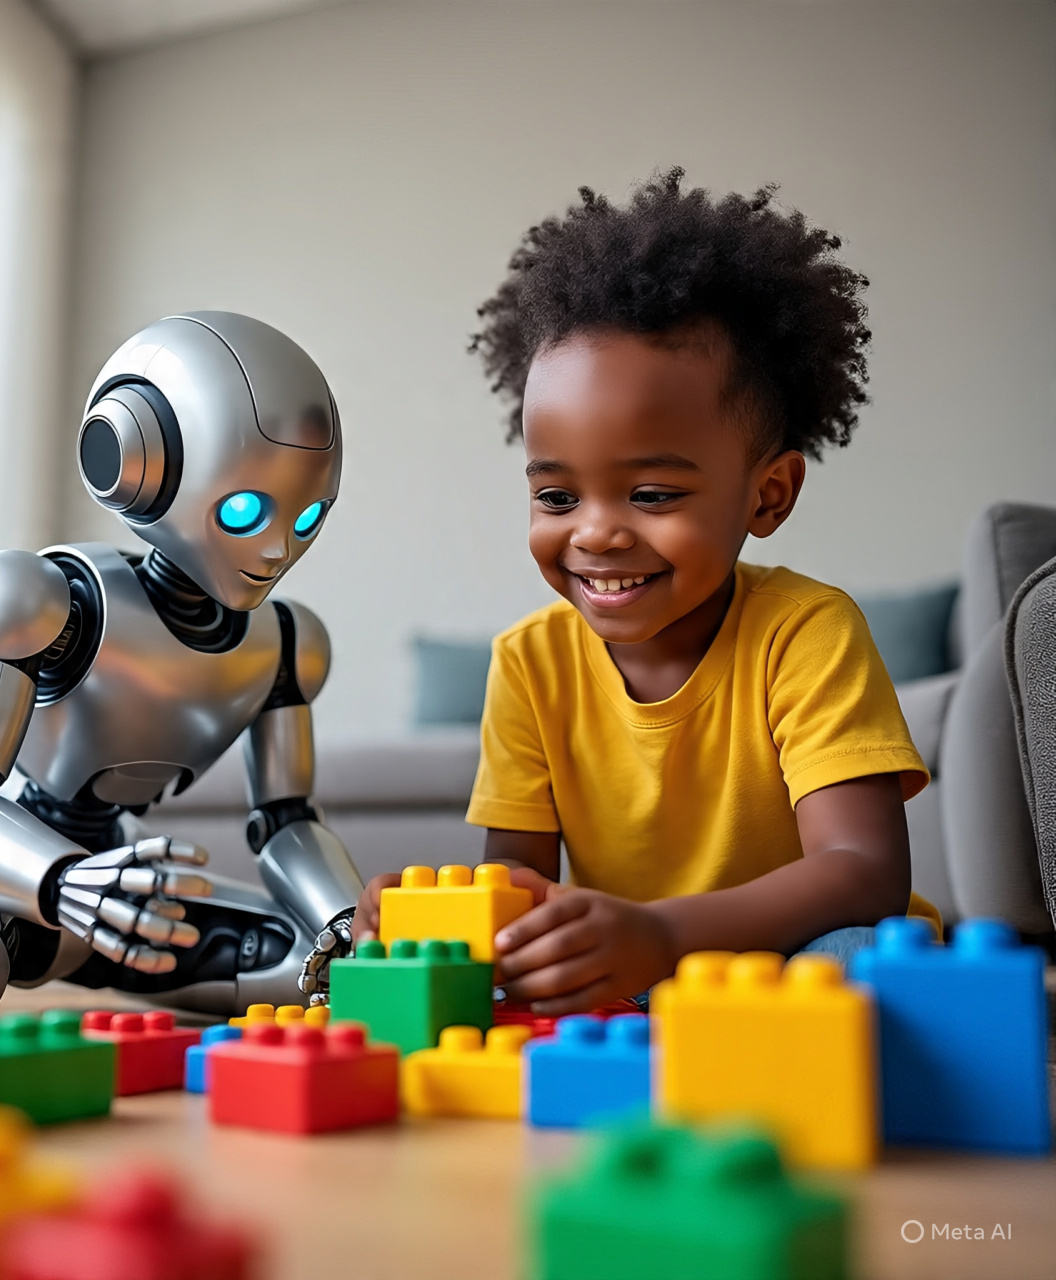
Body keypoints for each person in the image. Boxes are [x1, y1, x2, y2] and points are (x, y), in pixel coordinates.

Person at [354, 170, 937, 1014]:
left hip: (795, 957)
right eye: (557, 497)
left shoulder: (807, 630)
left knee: (859, 964)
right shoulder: (530, 662)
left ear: (767, 496)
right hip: (635, 975)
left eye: (652, 495)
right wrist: (434, 909)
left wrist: (664, 936)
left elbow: (865, 873)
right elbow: (518, 884)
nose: (594, 533)